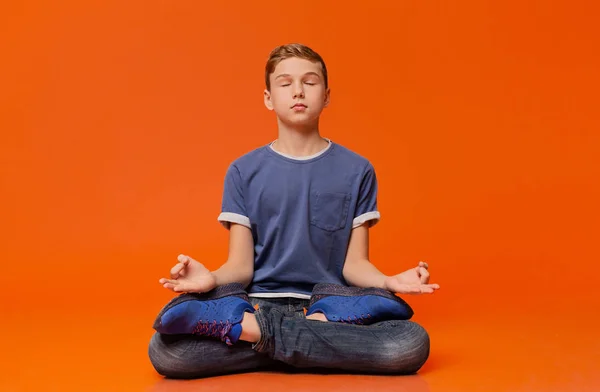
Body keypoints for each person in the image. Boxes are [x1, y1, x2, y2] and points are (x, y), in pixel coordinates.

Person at [148, 43, 440, 379]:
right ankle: (303, 346)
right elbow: (241, 268)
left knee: (409, 343)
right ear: (269, 98)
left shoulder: (358, 170)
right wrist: (211, 280)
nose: (298, 91)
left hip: (330, 307)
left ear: (327, 96)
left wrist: (390, 281)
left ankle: (259, 337)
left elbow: (354, 265)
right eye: (285, 84)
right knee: (167, 353)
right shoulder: (243, 171)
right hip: (258, 304)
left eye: (310, 82)